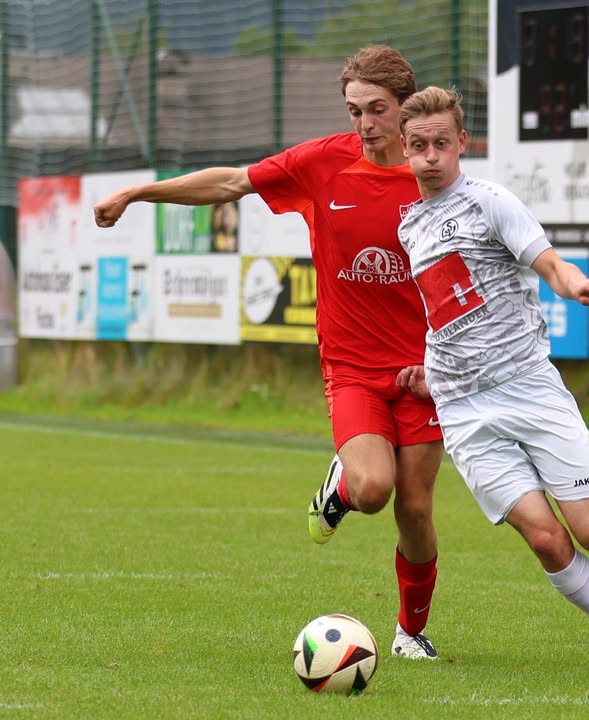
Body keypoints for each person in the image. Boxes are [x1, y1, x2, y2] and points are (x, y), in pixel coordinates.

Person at [93, 46, 442, 660]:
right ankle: (340, 488)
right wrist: (139, 192)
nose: (365, 123)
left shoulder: (436, 176)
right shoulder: (322, 163)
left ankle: (411, 634)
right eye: (354, 110)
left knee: (414, 507)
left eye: (377, 109)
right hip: (352, 368)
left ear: (405, 106)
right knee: (373, 491)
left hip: (425, 371)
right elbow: (230, 181)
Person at [394, 86, 589, 677]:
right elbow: (445, 310)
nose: (431, 156)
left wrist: (575, 285)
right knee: (545, 539)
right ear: (405, 148)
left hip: (528, 387)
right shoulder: (409, 226)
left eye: (441, 143)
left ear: (461, 142)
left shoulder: (491, 202)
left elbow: (550, 264)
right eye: (418, 146)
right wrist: (432, 372)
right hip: (463, 410)